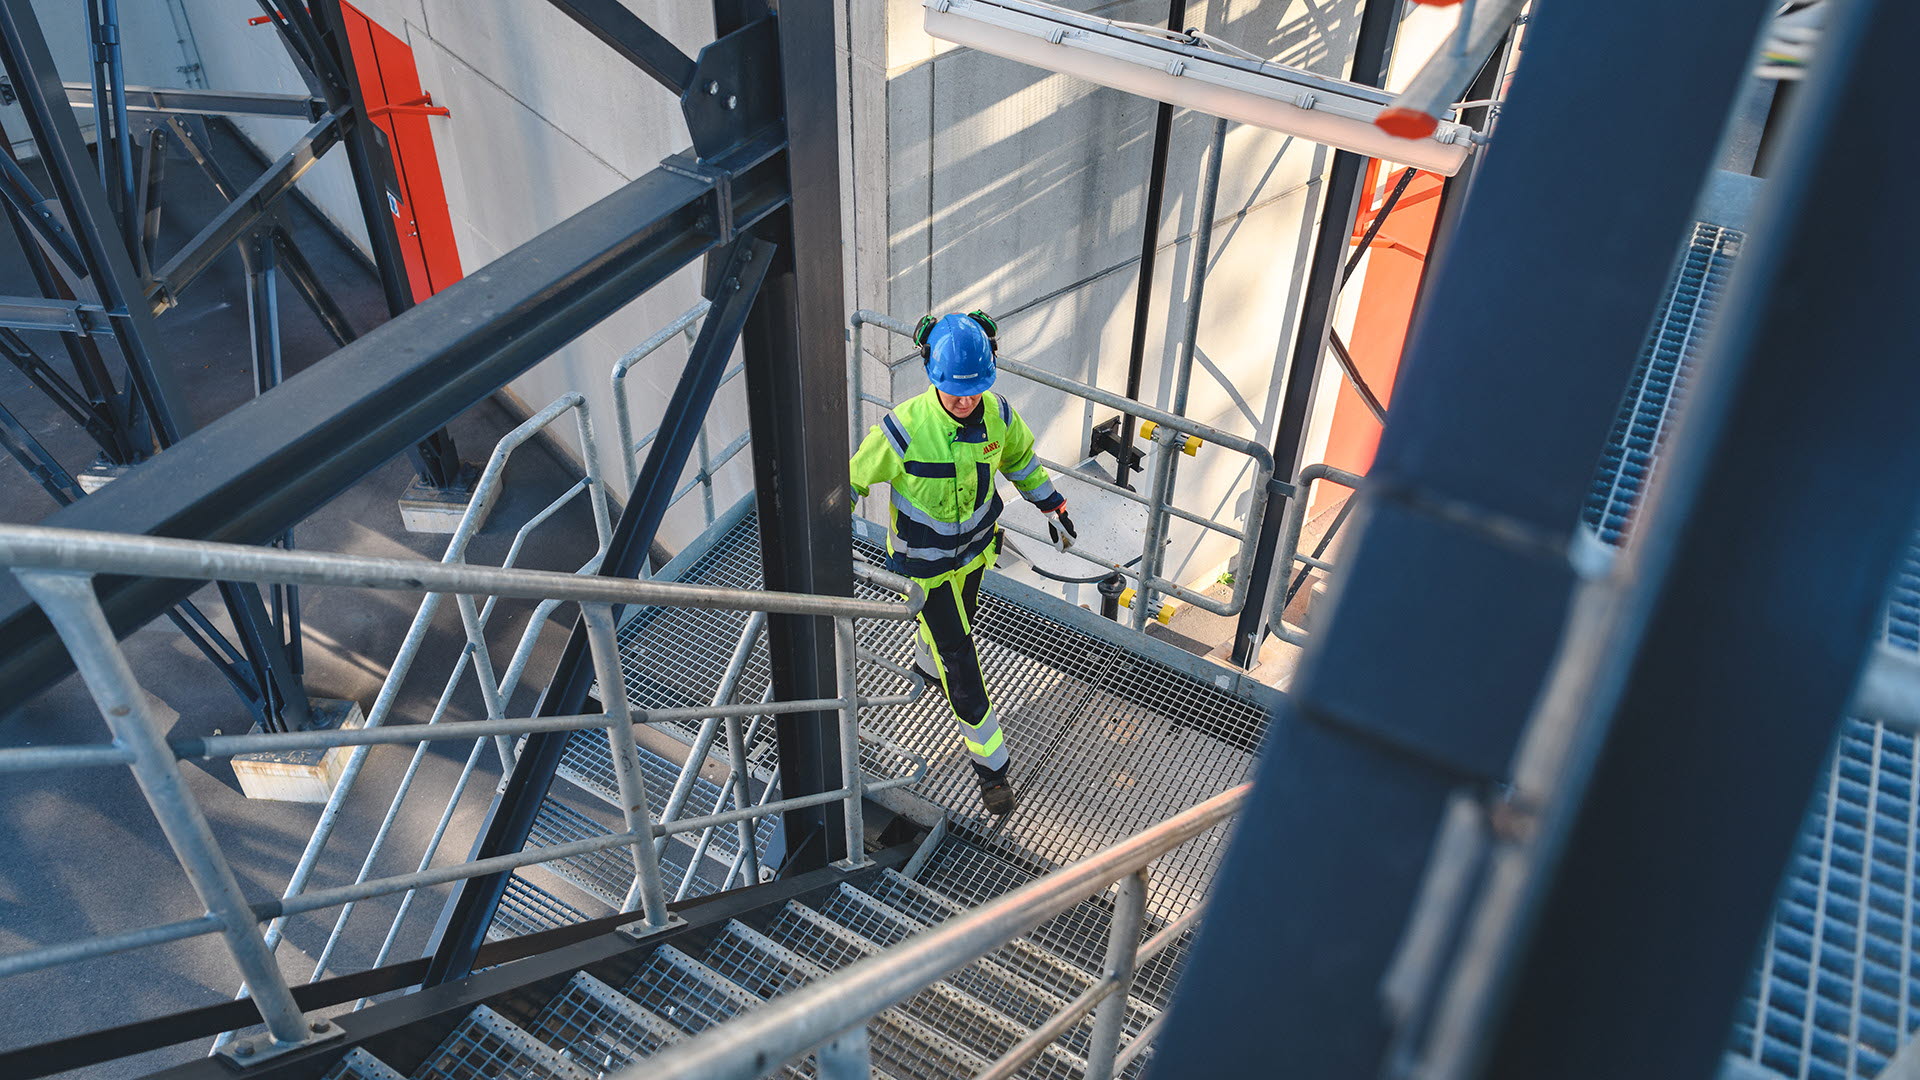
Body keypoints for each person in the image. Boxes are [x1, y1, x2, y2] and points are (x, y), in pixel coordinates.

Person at [849, 310, 1076, 814]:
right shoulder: (903, 429)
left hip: (976, 553)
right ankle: (992, 771)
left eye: (974, 390)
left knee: (958, 629)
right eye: (955, 392)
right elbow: (852, 480)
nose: (966, 400)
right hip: (924, 569)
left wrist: (1051, 503)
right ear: (931, 374)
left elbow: (1020, 461)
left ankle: (925, 666)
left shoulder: (998, 414)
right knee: (964, 663)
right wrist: (824, 536)